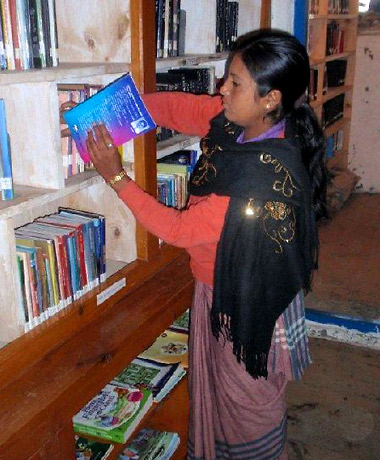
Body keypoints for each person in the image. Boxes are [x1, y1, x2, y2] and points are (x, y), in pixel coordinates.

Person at [85, 29, 327, 460]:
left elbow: (178, 230)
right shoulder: (249, 121)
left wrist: (116, 176)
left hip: (246, 304)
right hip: (228, 284)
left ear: (271, 99)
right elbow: (184, 108)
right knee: (229, 398)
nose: (222, 90)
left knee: (246, 403)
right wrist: (97, 117)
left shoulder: (255, 182)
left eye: (235, 83)